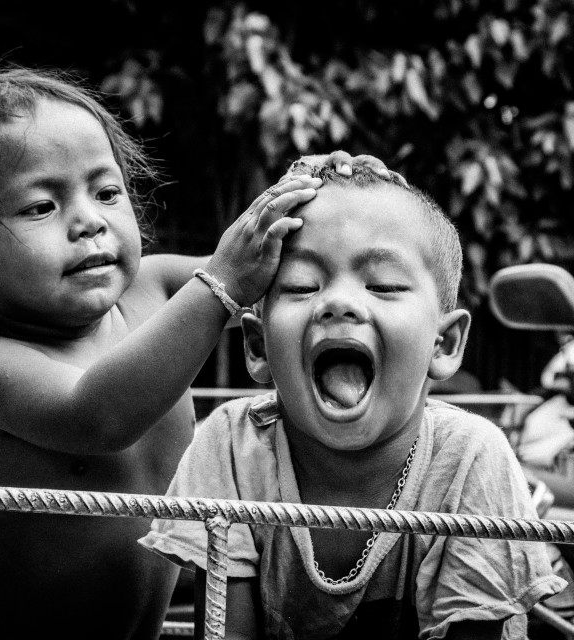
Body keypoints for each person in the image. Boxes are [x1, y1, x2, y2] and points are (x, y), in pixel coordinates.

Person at [0, 67, 363, 640]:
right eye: (40, 207)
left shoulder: (157, 288)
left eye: (106, 192)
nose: (89, 221)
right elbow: (101, 415)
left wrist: (329, 196)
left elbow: (273, 268)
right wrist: (219, 286)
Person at [142, 163, 567, 639]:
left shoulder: (472, 459)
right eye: (303, 285)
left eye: (383, 285)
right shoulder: (230, 446)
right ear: (258, 348)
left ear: (443, 345)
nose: (338, 303)